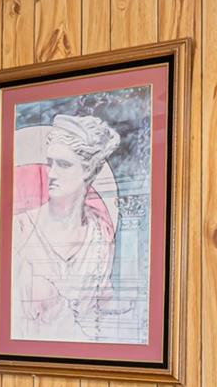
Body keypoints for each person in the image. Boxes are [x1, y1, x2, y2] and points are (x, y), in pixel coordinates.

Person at [8, 113, 134, 344]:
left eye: (64, 165)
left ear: (89, 170)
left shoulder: (100, 234)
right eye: (50, 163)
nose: (51, 174)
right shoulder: (20, 229)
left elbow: (101, 309)